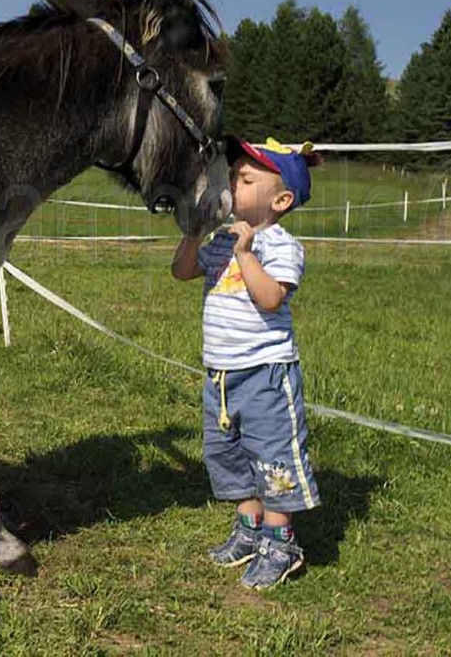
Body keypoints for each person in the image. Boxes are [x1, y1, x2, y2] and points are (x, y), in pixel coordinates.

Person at [171, 137, 322, 590]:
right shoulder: (221, 239)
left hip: (266, 377)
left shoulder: (281, 245)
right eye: (233, 175)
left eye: (244, 178)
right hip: (220, 376)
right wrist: (194, 232)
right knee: (228, 454)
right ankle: (249, 528)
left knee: (272, 456)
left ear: (280, 200)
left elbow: (272, 298)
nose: (232, 182)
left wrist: (245, 254)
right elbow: (181, 271)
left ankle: (281, 542)